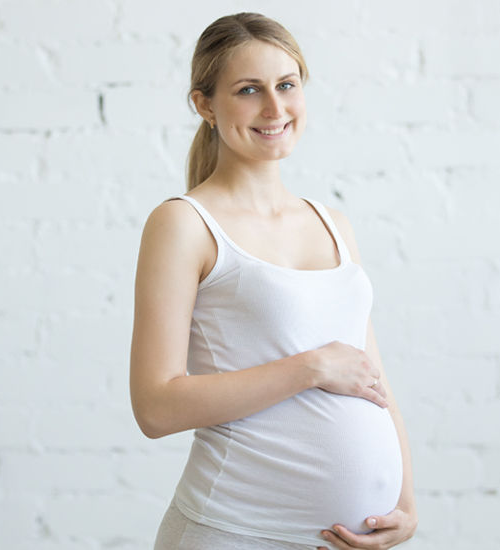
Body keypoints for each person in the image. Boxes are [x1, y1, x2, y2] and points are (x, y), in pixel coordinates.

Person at [130, 12, 417, 550]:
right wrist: (309, 368)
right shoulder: (185, 224)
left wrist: (405, 503)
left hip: (350, 540)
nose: (275, 108)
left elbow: (372, 378)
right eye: (248, 90)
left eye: (287, 85)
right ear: (205, 105)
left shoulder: (333, 223)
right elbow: (155, 407)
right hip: (235, 533)